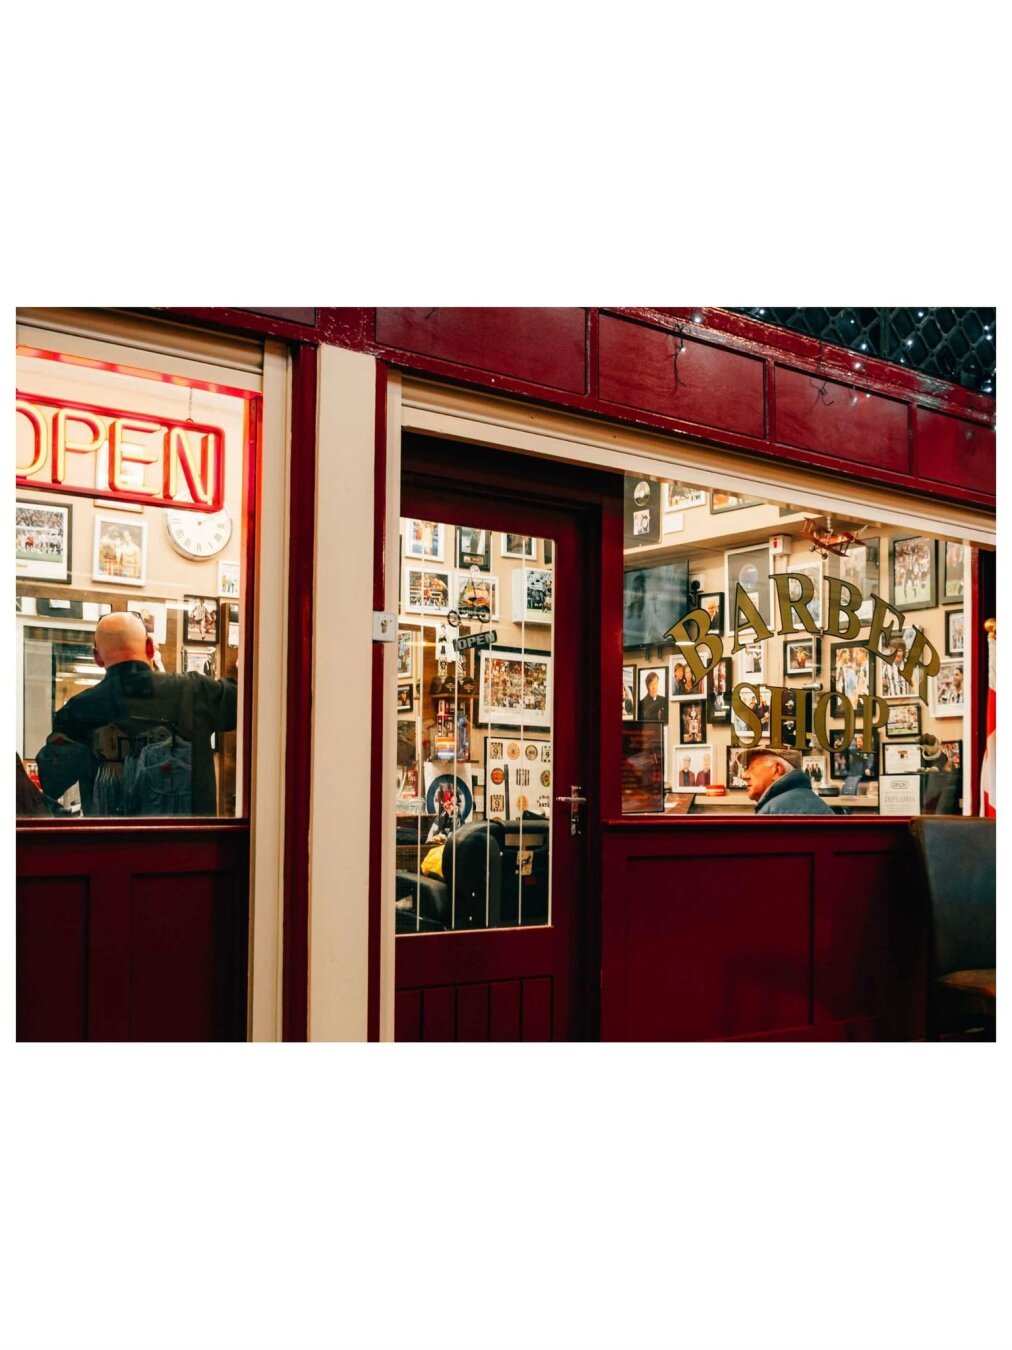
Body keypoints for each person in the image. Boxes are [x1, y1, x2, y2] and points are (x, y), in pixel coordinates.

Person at [37, 611, 236, 816]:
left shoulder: (77, 711)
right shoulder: (196, 692)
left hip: (111, 835)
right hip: (190, 836)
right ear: (150, 647)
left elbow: (52, 780)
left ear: (97, 657)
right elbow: (250, 699)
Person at [742, 746, 835, 816]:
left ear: (777, 769)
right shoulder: (818, 804)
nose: (744, 776)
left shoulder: (772, 811)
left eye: (752, 768)